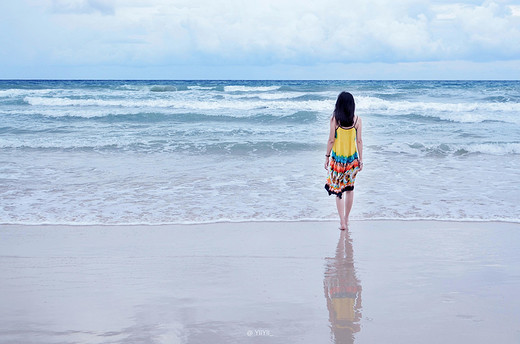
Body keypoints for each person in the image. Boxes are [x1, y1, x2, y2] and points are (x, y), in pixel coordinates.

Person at [324, 92, 363, 230]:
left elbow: (331, 140)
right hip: (352, 161)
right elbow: (359, 141)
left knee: (339, 191)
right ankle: (347, 218)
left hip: (337, 162)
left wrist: (327, 157)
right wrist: (361, 160)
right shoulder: (357, 120)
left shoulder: (335, 120)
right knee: (350, 190)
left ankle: (342, 222)